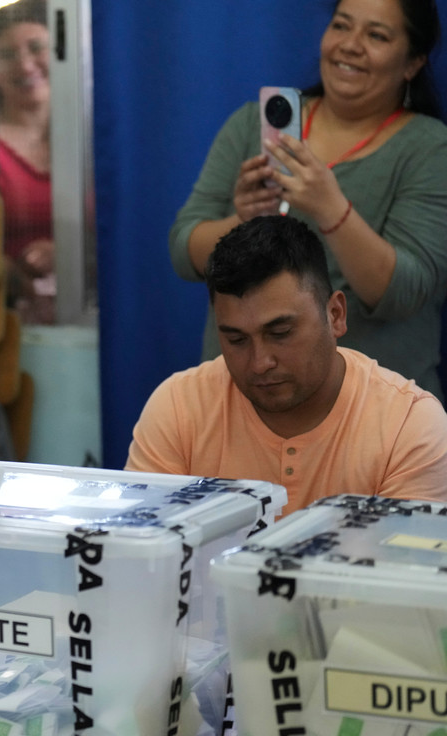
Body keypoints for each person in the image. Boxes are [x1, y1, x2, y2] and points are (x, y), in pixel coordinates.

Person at [169, 0, 447, 400]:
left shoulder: (430, 148)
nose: (350, 45)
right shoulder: (253, 125)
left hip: (371, 409)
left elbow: (404, 294)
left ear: (413, 62)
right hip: (242, 402)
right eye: (341, 26)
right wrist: (242, 219)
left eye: (376, 35)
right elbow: (183, 251)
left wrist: (331, 209)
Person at [128, 215, 447, 515]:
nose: (260, 363)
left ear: (335, 315)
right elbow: (139, 545)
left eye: (280, 333)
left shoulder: (408, 426)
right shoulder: (179, 407)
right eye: (237, 340)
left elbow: (401, 556)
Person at [0, 0, 55, 325]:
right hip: (7, 316)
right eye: (7, 55)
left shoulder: (93, 142)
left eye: (36, 48)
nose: (25, 64)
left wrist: (73, 255)